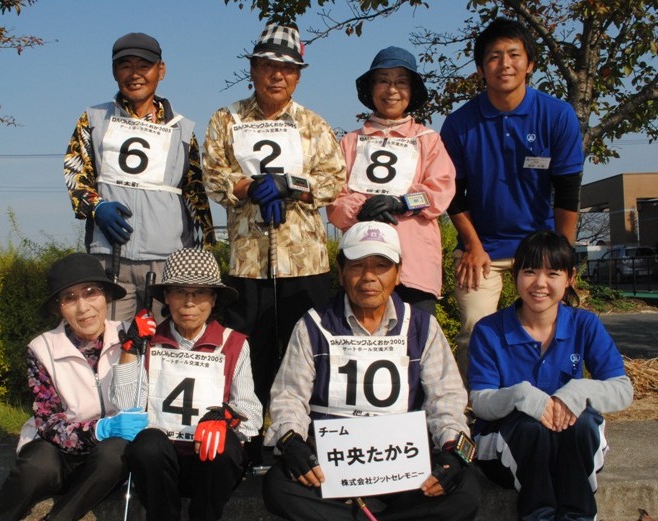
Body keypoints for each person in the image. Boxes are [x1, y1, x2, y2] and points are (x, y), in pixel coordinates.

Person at [262, 221, 481, 521]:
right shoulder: (313, 325)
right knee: (278, 486)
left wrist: (451, 448)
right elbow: (289, 395)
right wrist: (292, 440)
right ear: (340, 273)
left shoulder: (421, 326)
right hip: (333, 463)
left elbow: (446, 398)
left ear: (398, 273)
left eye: (381, 265)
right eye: (357, 265)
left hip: (402, 459)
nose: (368, 277)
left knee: (465, 490)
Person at [203, 23, 346, 422]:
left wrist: (291, 186)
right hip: (248, 261)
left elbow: (335, 179)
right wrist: (249, 187)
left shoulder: (315, 125)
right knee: (251, 351)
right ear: (253, 70)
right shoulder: (225, 118)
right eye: (267, 65)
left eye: (287, 68)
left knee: (310, 350)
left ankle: (310, 433)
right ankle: (248, 435)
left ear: (298, 75)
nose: (277, 75)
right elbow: (213, 175)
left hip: (305, 262)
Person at [439, 18, 584, 384]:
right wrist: (472, 245)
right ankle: (473, 418)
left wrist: (562, 257)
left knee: (550, 330)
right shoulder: (459, 123)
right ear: (480, 68)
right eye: (494, 56)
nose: (505, 64)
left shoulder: (557, 115)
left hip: (539, 247)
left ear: (530, 63)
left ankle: (556, 408)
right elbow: (452, 194)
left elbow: (567, 192)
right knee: (475, 329)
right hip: (481, 249)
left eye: (514, 55)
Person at [468, 230, 633, 521]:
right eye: (529, 271)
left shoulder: (585, 324)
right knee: (532, 430)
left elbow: (622, 389)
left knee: (581, 424)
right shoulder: (489, 329)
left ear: (569, 278)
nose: (540, 283)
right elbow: (481, 402)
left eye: (552, 273)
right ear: (515, 274)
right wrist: (521, 396)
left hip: (572, 444)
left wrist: (577, 391)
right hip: (506, 447)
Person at [63, 32, 215, 322]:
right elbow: (75, 172)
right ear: (113, 71)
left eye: (143, 65)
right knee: (111, 345)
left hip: (167, 261)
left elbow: (195, 193)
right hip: (109, 255)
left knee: (163, 346)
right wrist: (96, 207)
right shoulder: (93, 119)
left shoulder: (182, 130)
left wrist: (202, 252)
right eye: (125, 65)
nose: (134, 74)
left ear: (161, 70)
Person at [0, 253, 150, 521]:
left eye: (91, 293)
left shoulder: (130, 334)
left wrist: (133, 349)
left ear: (106, 297)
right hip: (58, 451)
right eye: (70, 298)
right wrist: (98, 429)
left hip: (105, 459)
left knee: (116, 453)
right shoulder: (41, 348)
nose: (84, 307)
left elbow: (139, 400)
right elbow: (49, 421)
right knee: (36, 465)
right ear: (58, 308)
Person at [110, 248, 263, 521]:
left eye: (200, 293)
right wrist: (130, 350)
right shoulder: (149, 341)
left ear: (214, 299)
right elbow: (125, 406)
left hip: (208, 467)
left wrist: (225, 417)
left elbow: (251, 415)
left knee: (224, 445)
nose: (189, 303)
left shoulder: (234, 343)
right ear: (166, 297)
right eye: (180, 291)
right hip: (160, 465)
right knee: (147, 444)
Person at [328, 46, 455, 315]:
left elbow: (440, 191)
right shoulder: (349, 142)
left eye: (400, 82)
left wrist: (401, 202)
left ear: (412, 90)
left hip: (414, 268)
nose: (391, 90)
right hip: (363, 269)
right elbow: (333, 201)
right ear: (371, 88)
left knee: (416, 346)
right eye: (383, 81)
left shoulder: (428, 140)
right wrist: (362, 209)